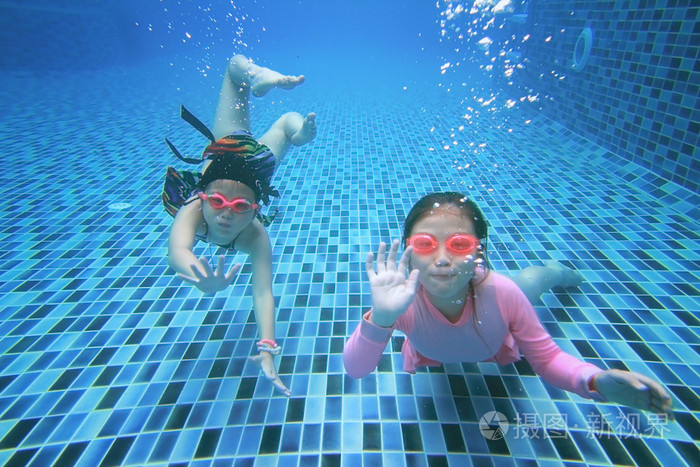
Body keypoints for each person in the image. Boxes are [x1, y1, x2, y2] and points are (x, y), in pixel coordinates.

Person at [343, 192, 674, 419]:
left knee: (534, 280)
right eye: (425, 244)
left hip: (495, 301)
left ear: (479, 254)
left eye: (459, 244)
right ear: (409, 251)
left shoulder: (503, 294)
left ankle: (560, 270)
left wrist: (595, 380)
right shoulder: (402, 302)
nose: (442, 259)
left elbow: (548, 359)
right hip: (443, 341)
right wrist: (382, 317)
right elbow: (356, 369)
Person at [162, 54, 317, 396]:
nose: (226, 214)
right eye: (216, 203)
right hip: (232, 162)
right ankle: (265, 75)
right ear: (203, 198)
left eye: (240, 207)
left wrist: (268, 348)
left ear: (255, 210)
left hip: (244, 163)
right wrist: (200, 278)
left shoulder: (254, 234)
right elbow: (177, 251)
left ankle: (300, 127)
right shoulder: (195, 207)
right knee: (236, 67)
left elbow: (263, 292)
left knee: (288, 130)